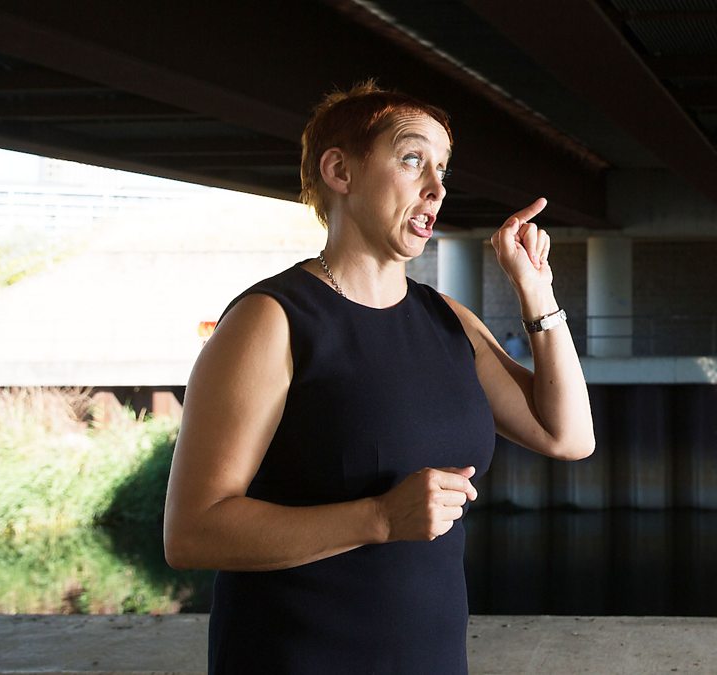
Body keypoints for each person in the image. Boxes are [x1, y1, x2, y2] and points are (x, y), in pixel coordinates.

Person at [163, 81, 594, 674]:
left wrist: (537, 292)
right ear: (340, 171)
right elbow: (192, 532)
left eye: (443, 168)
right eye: (413, 159)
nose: (437, 187)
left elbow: (568, 437)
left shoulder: (449, 322)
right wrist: (381, 518)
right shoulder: (271, 321)